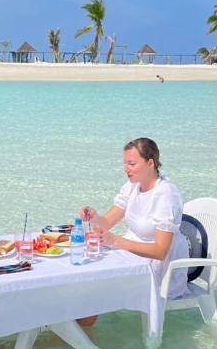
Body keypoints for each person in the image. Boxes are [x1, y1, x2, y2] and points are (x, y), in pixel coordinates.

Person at [78, 138, 189, 325]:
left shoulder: (166, 194)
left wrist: (115, 241)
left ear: (150, 163)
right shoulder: (132, 185)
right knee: (87, 273)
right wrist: (93, 217)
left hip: (159, 267)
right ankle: (72, 329)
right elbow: (106, 222)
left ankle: (76, 338)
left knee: (97, 287)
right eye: (124, 163)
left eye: (132, 163)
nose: (126, 169)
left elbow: (160, 251)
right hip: (131, 253)